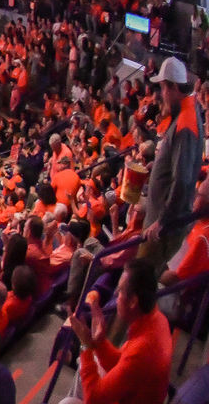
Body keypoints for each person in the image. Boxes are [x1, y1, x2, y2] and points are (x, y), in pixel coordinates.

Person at [66, 259, 172, 404]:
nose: (116, 293)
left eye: (120, 290)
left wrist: (86, 346)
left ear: (133, 301)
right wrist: (99, 343)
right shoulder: (157, 319)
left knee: (67, 402)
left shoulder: (143, 349)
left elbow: (94, 398)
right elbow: (121, 363)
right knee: (91, 363)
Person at [142, 56, 202, 265]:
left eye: (163, 88)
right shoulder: (185, 113)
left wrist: (161, 222)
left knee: (141, 279)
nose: (161, 95)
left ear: (174, 87)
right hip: (161, 223)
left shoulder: (186, 122)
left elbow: (183, 181)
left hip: (162, 229)